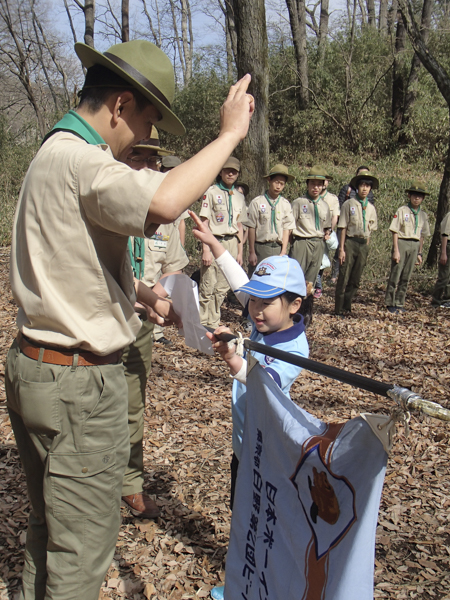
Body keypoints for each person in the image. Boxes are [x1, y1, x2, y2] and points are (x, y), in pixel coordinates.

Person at [5, 38, 254, 600]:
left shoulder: (51, 153)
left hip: (37, 365)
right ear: (119, 105)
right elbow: (164, 202)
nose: (144, 138)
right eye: (145, 121)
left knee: (48, 533)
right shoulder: (82, 159)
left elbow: (69, 261)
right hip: (77, 384)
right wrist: (230, 135)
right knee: (80, 552)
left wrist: (138, 292)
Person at [190, 211, 310, 600]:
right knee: (243, 514)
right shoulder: (266, 322)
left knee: (259, 519)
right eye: (253, 302)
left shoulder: (294, 348)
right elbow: (243, 283)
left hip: (267, 449)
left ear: (294, 304)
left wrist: (231, 356)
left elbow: (262, 382)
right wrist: (215, 244)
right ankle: (248, 578)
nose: (255, 310)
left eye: (267, 303)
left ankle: (259, 584)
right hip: (245, 444)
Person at [120, 130, 188, 519]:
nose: (146, 167)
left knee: (132, 405)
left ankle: (129, 485)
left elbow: (176, 263)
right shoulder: (102, 206)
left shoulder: (164, 217)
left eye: (152, 160)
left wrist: (161, 289)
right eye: (137, 158)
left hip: (141, 324)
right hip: (101, 321)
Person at [198, 157, 247, 328]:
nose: (231, 174)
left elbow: (240, 226)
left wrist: (240, 252)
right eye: (227, 170)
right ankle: (203, 324)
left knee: (222, 288)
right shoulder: (211, 193)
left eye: (234, 171)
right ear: (221, 172)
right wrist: (205, 249)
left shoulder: (239, 196)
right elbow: (203, 223)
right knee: (207, 286)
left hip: (231, 243)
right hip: (213, 241)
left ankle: (214, 321)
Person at [335, 170, 378, 316]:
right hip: (350, 242)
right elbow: (343, 227)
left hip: (363, 244)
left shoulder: (371, 208)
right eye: (362, 185)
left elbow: (370, 229)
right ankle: (338, 308)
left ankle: (347, 305)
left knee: (356, 278)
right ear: (357, 187)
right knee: (344, 275)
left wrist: (366, 245)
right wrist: (341, 249)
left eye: (367, 186)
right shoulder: (349, 204)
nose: (364, 188)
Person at [385, 181, 431, 314]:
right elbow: (395, 230)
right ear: (409, 196)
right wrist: (396, 250)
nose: (417, 198)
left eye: (420, 196)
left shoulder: (423, 215)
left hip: (415, 244)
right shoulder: (402, 210)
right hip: (402, 242)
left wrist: (420, 253)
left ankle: (400, 302)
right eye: (414, 195)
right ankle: (390, 302)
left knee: (406, 276)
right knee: (396, 273)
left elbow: (422, 235)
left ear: (423, 198)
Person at [244, 164, 295, 278]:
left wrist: (283, 251)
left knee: (276, 280)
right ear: (269, 180)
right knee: (258, 278)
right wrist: (252, 252)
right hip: (261, 248)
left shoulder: (285, 204)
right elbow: (251, 227)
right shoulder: (257, 202)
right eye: (276, 182)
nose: (278, 186)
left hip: (277, 248)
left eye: (282, 184)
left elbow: (287, 229)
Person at [289, 166, 332, 288]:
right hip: (302, 243)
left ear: (323, 186)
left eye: (319, 184)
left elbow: (327, 227)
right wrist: (294, 244)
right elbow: (290, 226)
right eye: (313, 184)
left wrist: (327, 234)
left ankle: (306, 305)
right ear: (307, 184)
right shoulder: (298, 203)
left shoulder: (324, 205)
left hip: (318, 244)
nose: (316, 187)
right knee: (295, 277)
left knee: (310, 281)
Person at [332, 165, 375, 283]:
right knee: (340, 250)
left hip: (359, 228)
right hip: (346, 222)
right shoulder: (347, 189)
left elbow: (370, 208)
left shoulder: (370, 194)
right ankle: (335, 274)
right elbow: (340, 204)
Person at [314, 174, 340, 298]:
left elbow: (335, 216)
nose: (322, 183)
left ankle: (318, 286)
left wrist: (329, 231)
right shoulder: (311, 196)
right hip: (312, 233)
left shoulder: (332, 199)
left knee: (321, 261)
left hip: (325, 233)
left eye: (324, 181)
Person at [431, 211, 450, 308]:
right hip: (448, 246)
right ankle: (436, 301)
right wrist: (443, 253)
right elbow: (445, 234)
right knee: (444, 276)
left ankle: (447, 299)